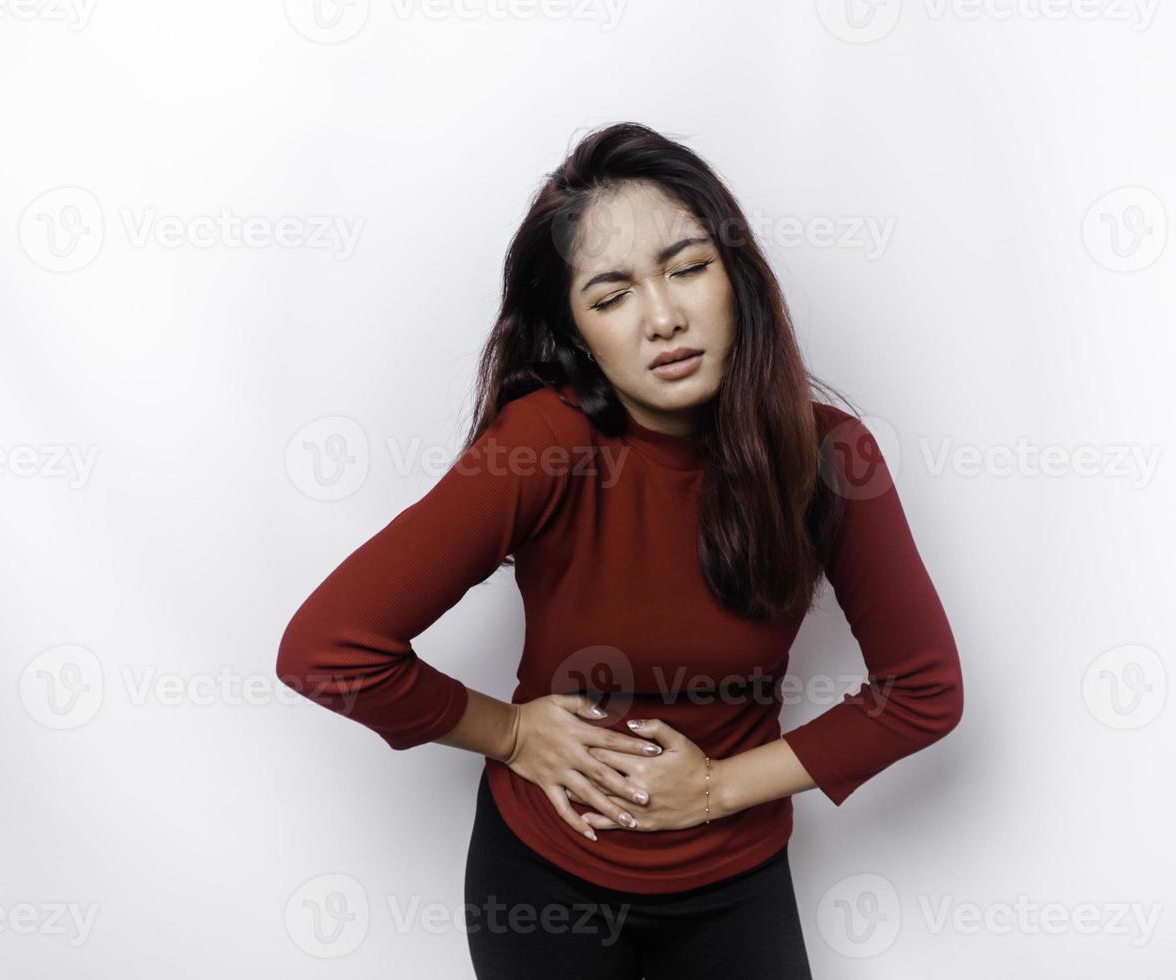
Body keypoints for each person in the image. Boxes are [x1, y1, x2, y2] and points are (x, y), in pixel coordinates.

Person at [276, 121, 965, 979]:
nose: (664, 318)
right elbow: (327, 650)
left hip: (737, 877)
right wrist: (514, 734)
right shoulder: (546, 442)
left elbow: (922, 692)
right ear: (576, 333)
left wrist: (715, 789)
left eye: (687, 268)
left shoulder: (830, 456)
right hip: (544, 875)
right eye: (611, 297)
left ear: (737, 276)